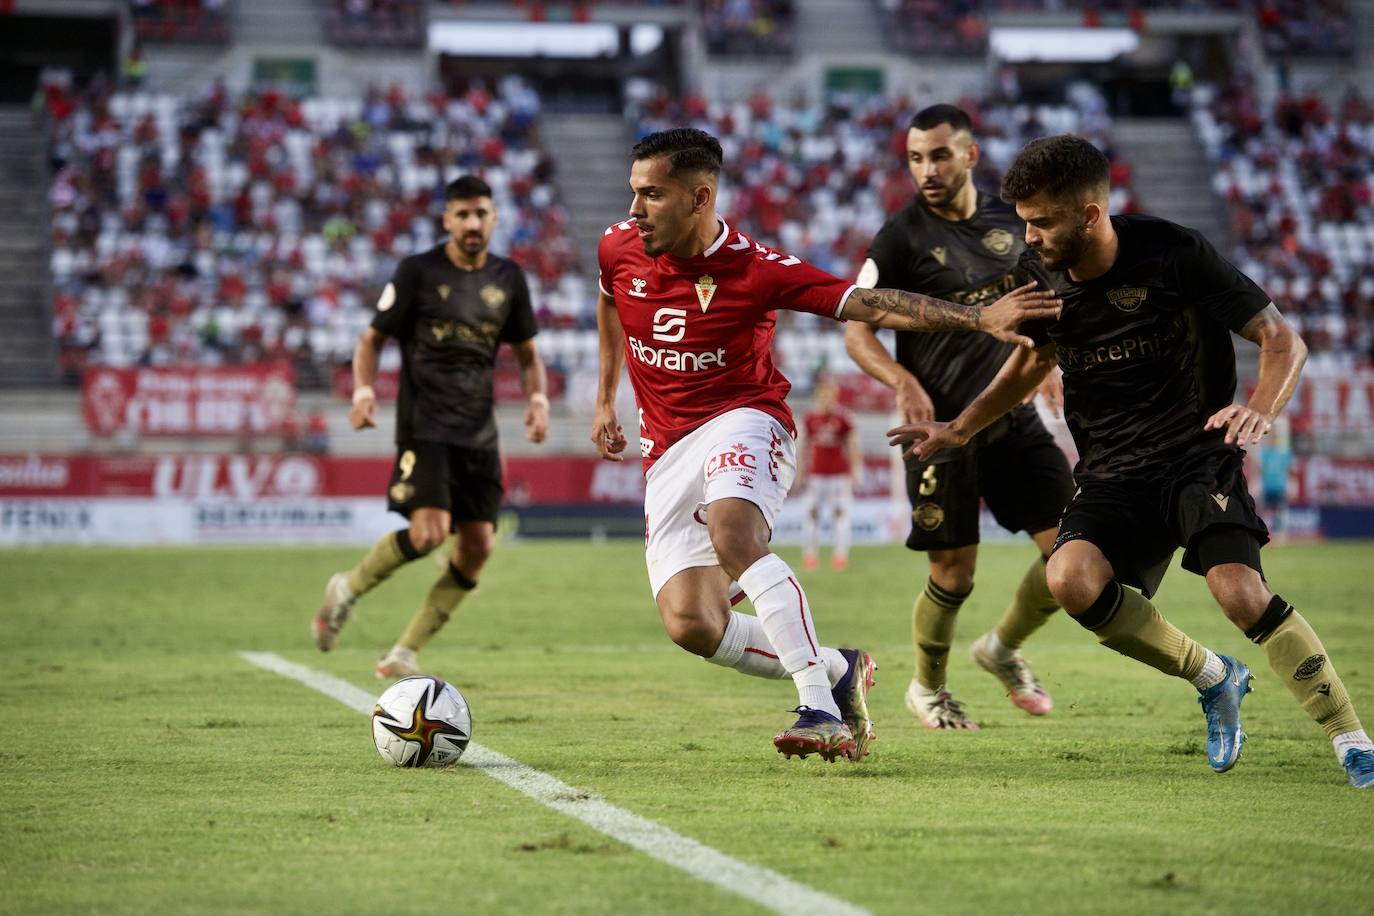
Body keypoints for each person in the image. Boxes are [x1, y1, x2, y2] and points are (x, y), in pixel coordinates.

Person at [889, 134, 1374, 787]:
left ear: (1090, 214)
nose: (1028, 236)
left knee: (1239, 592)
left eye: (1041, 221)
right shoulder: (1041, 276)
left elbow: (1280, 338)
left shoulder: (1175, 253)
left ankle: (1351, 739)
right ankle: (1214, 677)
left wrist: (1262, 406)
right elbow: (1033, 359)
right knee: (1070, 579)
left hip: (1196, 450)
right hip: (1112, 469)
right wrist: (962, 427)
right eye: (1024, 221)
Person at [590, 128, 1061, 762]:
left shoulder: (755, 269)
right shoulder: (618, 248)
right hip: (665, 449)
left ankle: (819, 708)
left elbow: (867, 303)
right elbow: (609, 305)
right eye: (633, 194)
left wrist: (978, 317)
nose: (634, 210)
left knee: (734, 535)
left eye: (651, 196)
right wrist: (603, 397)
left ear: (699, 197)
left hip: (745, 418)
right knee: (693, 625)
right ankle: (839, 668)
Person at [846, 104, 1074, 730]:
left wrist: (1048, 363)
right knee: (954, 572)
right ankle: (928, 688)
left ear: (970, 155)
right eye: (916, 158)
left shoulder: (1013, 222)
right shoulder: (900, 237)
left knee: (1075, 556)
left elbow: (1043, 307)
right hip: (938, 429)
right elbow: (856, 327)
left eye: (940, 155)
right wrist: (902, 380)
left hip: (1013, 415)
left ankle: (1002, 649)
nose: (927, 169)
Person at [313, 175, 549, 679]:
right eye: (461, 214)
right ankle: (347, 589)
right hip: (426, 426)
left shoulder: (509, 278)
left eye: (480, 213)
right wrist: (363, 390)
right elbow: (371, 340)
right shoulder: (418, 272)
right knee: (428, 533)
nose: (471, 223)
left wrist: (537, 398)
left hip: (479, 433)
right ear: (446, 219)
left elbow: (528, 353)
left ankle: (404, 652)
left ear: (494, 218)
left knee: (479, 545)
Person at [797, 375, 861, 573]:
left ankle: (840, 556)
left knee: (840, 514)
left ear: (835, 395)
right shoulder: (810, 418)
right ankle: (810, 556)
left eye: (830, 394)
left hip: (838, 476)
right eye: (823, 394)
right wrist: (800, 472)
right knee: (811, 515)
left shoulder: (844, 418)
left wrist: (855, 471)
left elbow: (852, 446)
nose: (826, 398)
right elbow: (803, 446)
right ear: (818, 395)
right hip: (815, 475)